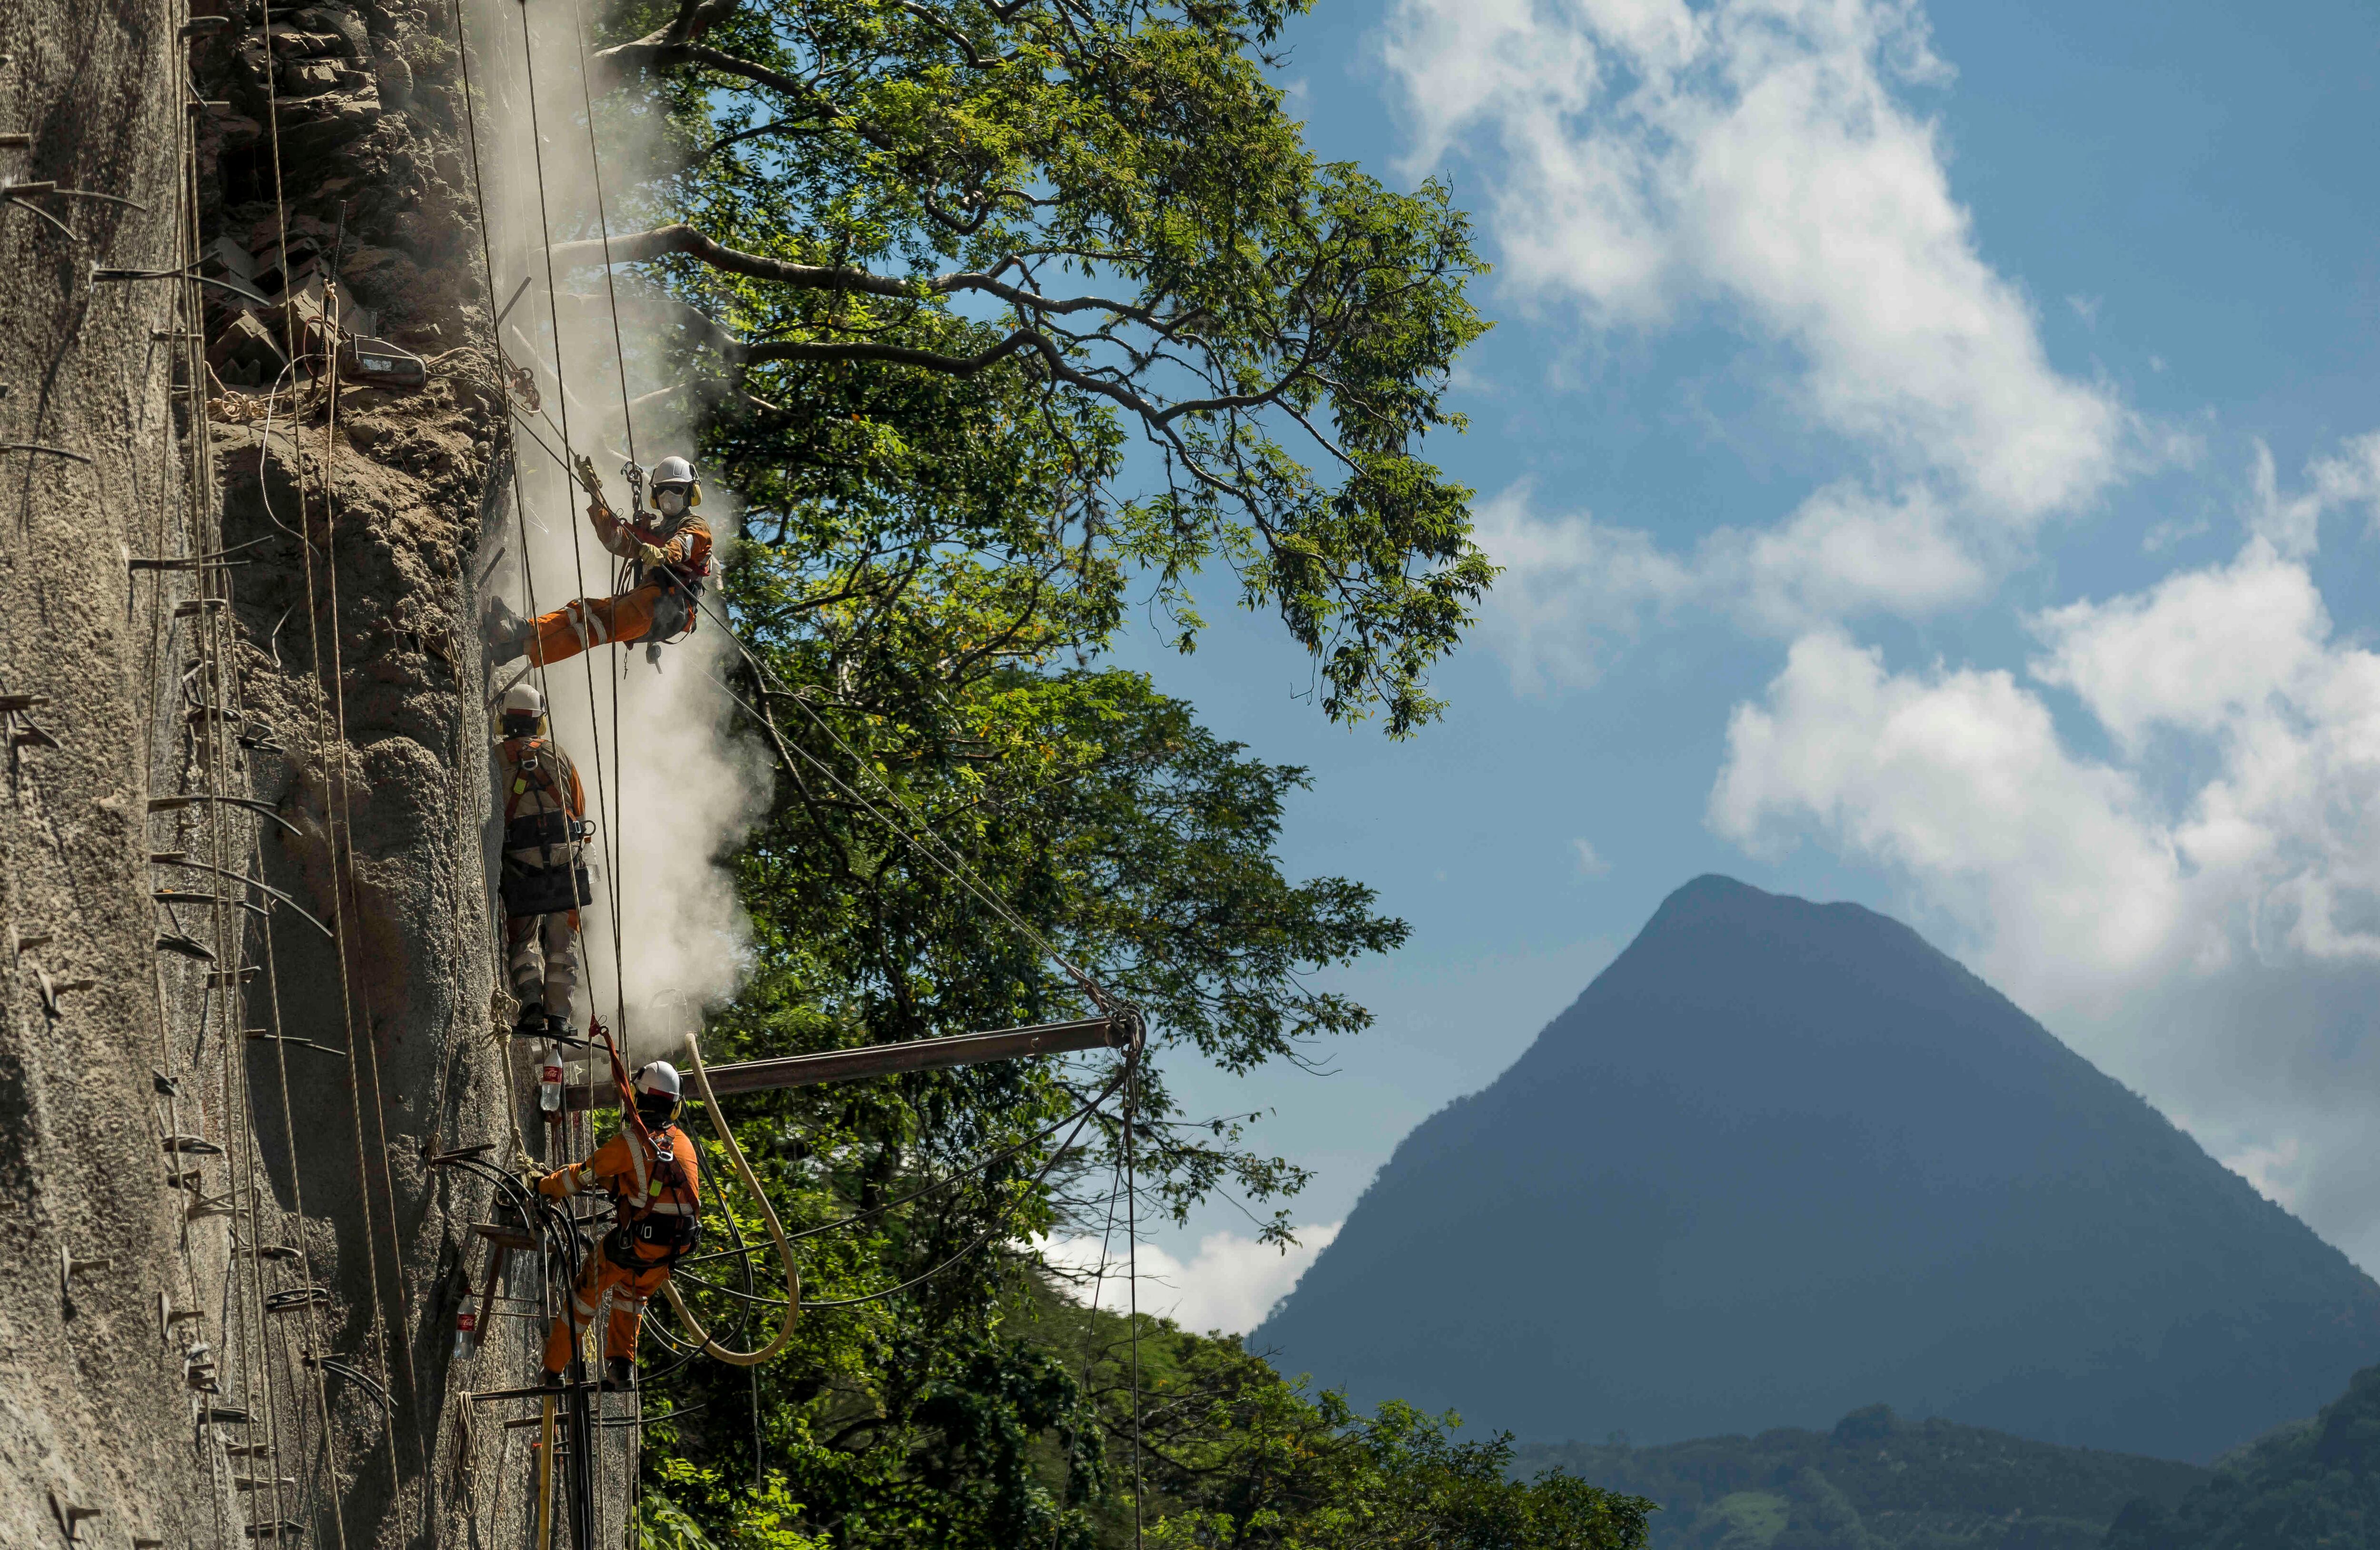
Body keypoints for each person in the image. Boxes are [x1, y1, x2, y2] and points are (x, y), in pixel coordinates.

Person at [535, 1063, 702, 1389]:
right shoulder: (683, 1145)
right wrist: (618, 1187)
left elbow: (583, 1175)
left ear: (638, 1100)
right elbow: (656, 1189)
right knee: (632, 1295)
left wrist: (544, 1187)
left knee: (586, 1292)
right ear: (674, 1105)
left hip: (640, 1242)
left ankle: (552, 1370)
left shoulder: (632, 1142)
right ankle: (621, 1368)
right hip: (672, 1249)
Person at [484, 455, 713, 667]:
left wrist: (664, 554)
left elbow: (686, 543)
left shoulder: (696, 526)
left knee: (595, 627)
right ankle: (517, 640)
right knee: (583, 609)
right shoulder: (655, 534)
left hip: (669, 609)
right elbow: (615, 540)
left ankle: (520, 637)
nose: (667, 496)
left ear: (690, 493)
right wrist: (594, 492)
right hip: (645, 602)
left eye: (675, 489)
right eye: (662, 490)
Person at [495, 680, 592, 1041]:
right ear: (539, 722)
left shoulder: (495, 758)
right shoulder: (560, 755)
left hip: (520, 869)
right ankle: (560, 1018)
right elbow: (579, 811)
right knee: (562, 945)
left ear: (504, 721)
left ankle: (531, 1006)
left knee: (522, 942)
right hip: (566, 865)